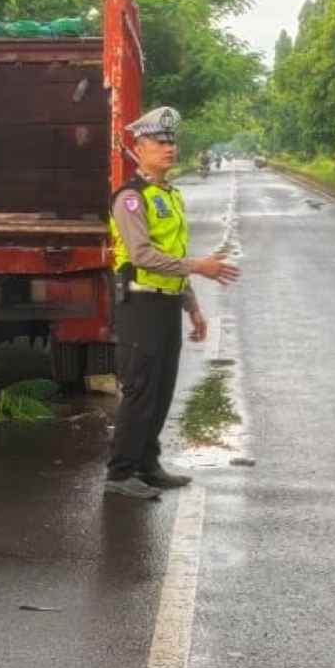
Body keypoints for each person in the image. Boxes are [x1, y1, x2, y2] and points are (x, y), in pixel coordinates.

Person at [105, 106, 241, 501]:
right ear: (139, 147)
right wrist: (200, 266)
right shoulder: (131, 199)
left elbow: (173, 254)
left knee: (162, 389)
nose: (169, 148)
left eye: (172, 141)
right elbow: (143, 255)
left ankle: (147, 464)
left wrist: (192, 306)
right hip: (140, 305)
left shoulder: (171, 195)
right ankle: (120, 472)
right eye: (159, 142)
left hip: (166, 304)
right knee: (140, 390)